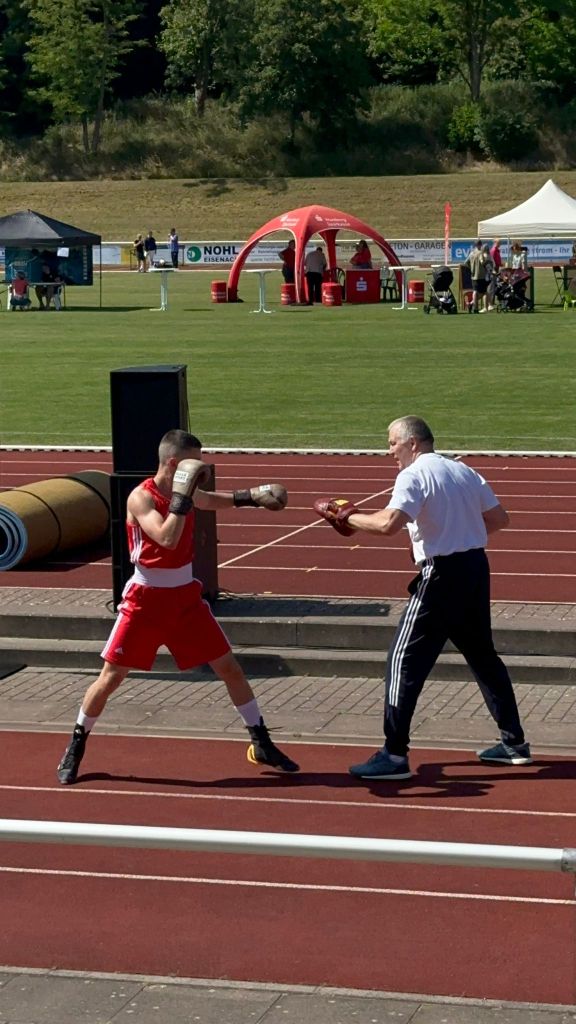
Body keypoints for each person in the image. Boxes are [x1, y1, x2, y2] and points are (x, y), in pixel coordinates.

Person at [56, 429, 299, 785]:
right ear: (173, 463)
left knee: (229, 668)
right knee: (111, 677)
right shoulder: (141, 498)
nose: (200, 469)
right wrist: (183, 497)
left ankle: (261, 741)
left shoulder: (185, 491)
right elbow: (167, 538)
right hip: (145, 600)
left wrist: (250, 497)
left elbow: (208, 500)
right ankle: (77, 744)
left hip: (185, 598)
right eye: (193, 464)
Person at [313, 415, 531, 781]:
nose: (389, 451)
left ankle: (394, 754)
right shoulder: (463, 471)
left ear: (412, 443)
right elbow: (499, 519)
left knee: (403, 660)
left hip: (442, 575)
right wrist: (456, 532)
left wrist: (346, 516)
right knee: (483, 657)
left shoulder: (413, 474)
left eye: (392, 443)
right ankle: (514, 742)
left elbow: (388, 524)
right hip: (475, 568)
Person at [464, 240, 488, 313]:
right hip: (481, 275)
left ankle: (474, 307)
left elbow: (465, 262)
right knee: (484, 292)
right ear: (480, 244)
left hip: (473, 275)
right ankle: (474, 304)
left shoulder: (471, 253)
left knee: (475, 291)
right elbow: (483, 263)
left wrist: (471, 268)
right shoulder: (481, 253)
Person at [487, 238, 502, 309]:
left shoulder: (497, 250)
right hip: (493, 270)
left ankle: (492, 302)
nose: (500, 244)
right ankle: (490, 303)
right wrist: (493, 270)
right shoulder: (493, 250)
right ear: (495, 243)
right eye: (499, 243)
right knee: (491, 286)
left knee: (494, 286)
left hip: (497, 269)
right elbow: (491, 262)